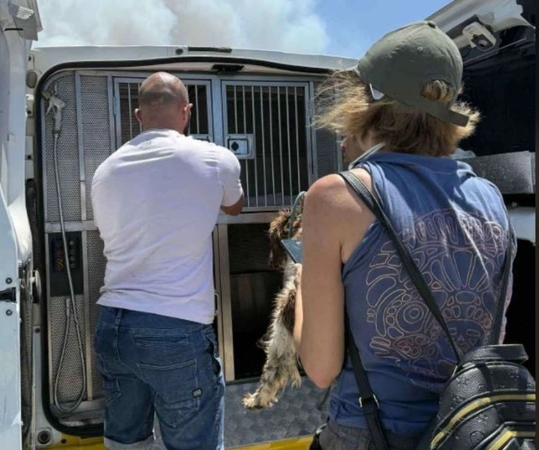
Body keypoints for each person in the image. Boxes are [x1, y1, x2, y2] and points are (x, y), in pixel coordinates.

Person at [293, 21, 514, 449]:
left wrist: (302, 281)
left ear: (366, 105)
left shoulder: (336, 196)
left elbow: (320, 368)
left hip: (370, 434)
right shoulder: (490, 197)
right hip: (470, 432)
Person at [91, 72, 244, 450]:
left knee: (125, 442)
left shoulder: (105, 170)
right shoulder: (215, 158)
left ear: (139, 115)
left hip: (113, 326)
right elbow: (234, 206)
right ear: (186, 111)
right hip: (174, 327)